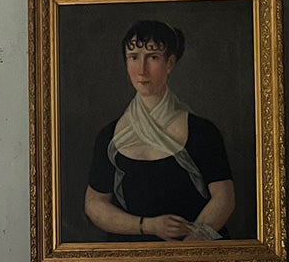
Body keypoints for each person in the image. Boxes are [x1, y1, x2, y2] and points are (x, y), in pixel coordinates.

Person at [84, 20, 236, 242]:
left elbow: (224, 199)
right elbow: (94, 204)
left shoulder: (202, 132)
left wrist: (188, 246)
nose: (142, 69)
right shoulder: (110, 136)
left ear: (170, 63)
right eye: (134, 57)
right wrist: (147, 226)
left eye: (153, 57)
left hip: (194, 256)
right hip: (130, 259)